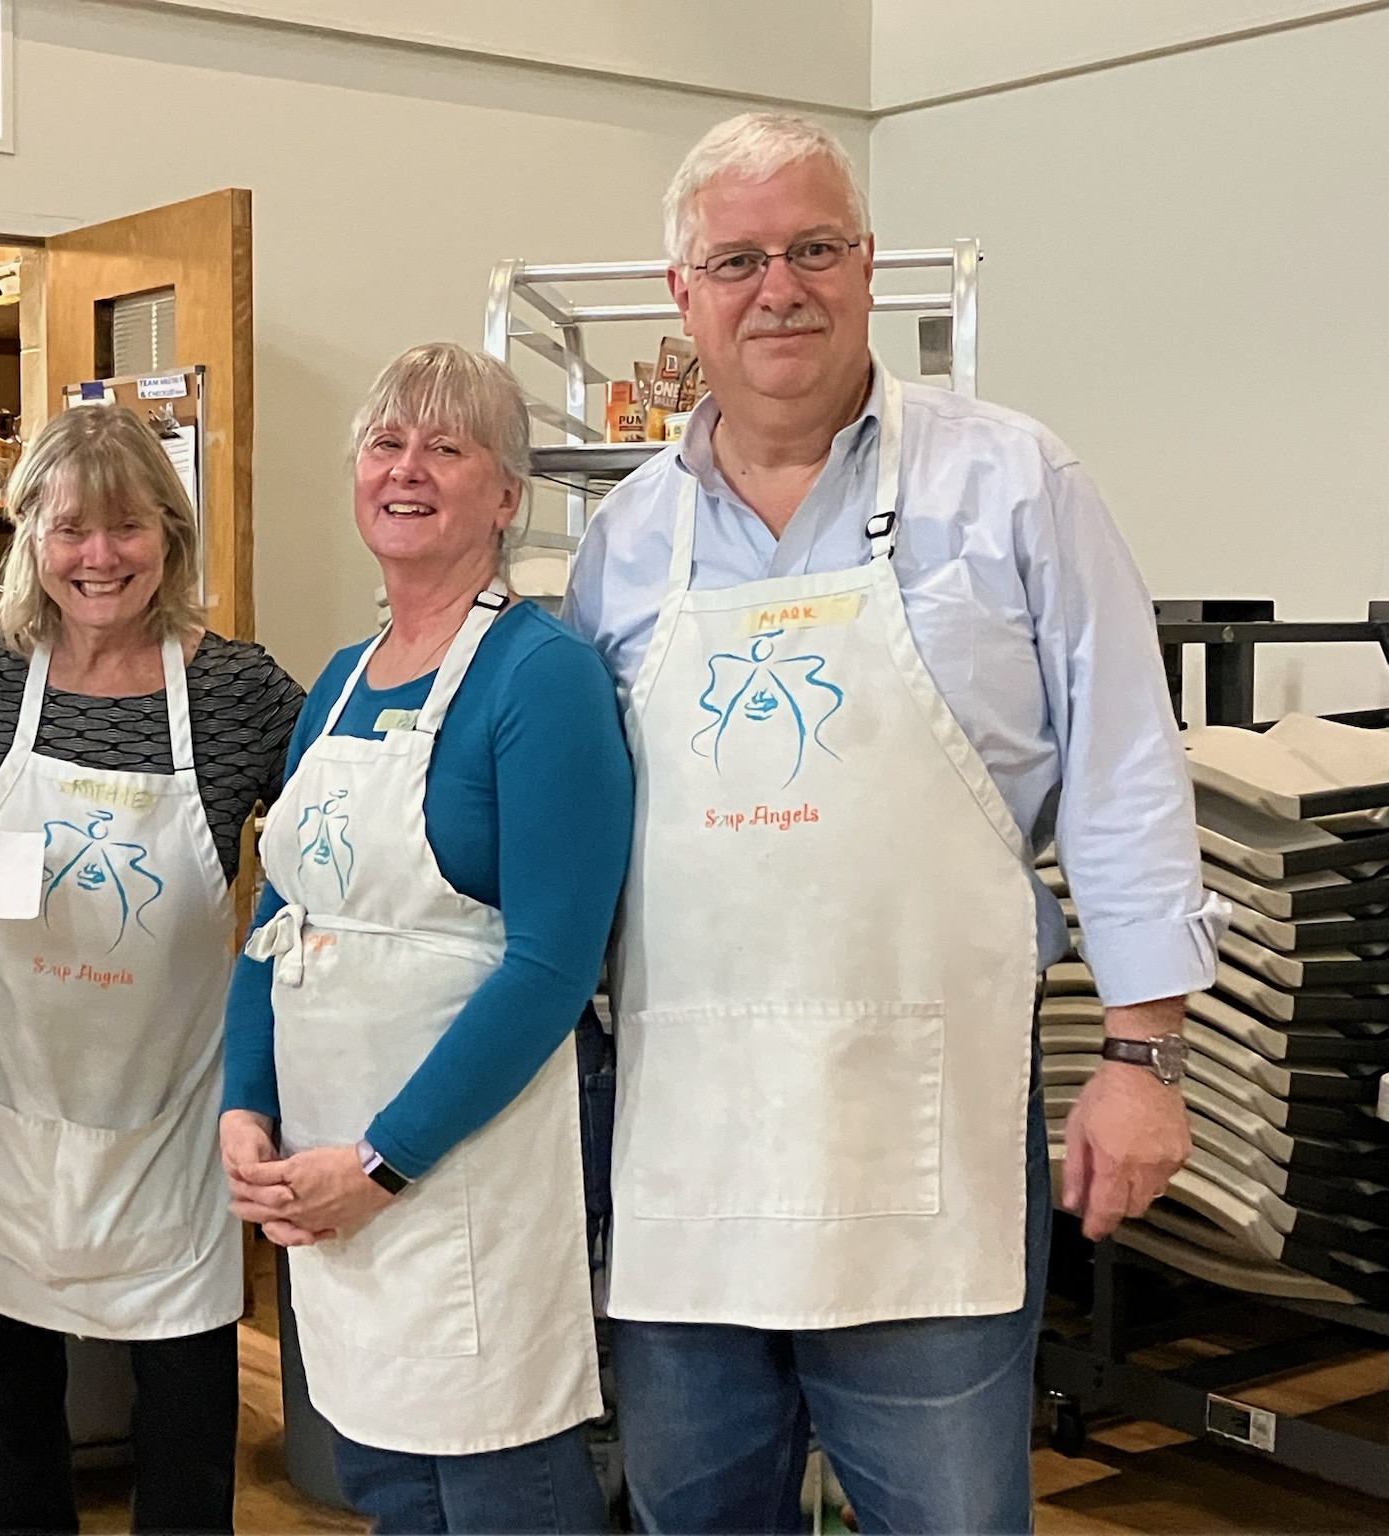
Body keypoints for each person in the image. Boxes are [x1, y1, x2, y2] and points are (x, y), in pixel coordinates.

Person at [563, 112, 1227, 1533]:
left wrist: (1144, 1054)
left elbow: (1123, 772)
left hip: (919, 1145)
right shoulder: (623, 545)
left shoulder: (1015, 487)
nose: (778, 287)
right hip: (689, 1152)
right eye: (735, 259)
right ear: (684, 298)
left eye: (812, 248)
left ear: (869, 268)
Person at [222, 343, 634, 1534]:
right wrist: (246, 1103)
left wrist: (385, 1160)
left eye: (446, 449)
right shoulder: (344, 680)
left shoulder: (539, 676)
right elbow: (278, 914)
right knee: (388, 1487)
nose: (406, 470)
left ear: (505, 497)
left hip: (462, 1180)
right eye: (385, 445)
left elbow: (552, 967)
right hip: (326, 1173)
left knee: (499, 1485)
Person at [0, 404, 303, 1534]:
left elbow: (329, 833)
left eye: (126, 528)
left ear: (171, 535)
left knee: (187, 1393)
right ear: (29, 539)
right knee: (6, 1404)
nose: (97, 557)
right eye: (68, 531)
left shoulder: (237, 694)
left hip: (164, 1104)